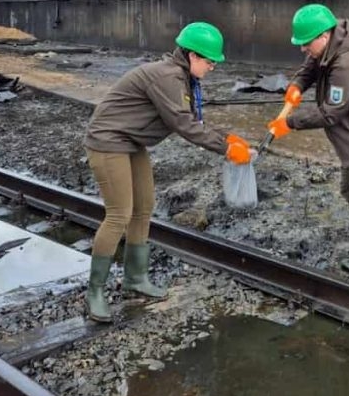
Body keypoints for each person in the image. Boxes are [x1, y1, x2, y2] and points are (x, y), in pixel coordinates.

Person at [83, 21, 252, 322]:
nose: (213, 67)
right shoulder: (168, 78)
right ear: (192, 56)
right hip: (108, 142)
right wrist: (227, 149)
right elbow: (184, 125)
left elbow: (194, 121)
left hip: (131, 141)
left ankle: (135, 278)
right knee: (119, 213)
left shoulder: (183, 78)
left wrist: (228, 138)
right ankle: (94, 292)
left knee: (144, 207)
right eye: (210, 61)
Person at [267, 4, 349, 284]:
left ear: (323, 37)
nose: (303, 49)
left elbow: (331, 112)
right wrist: (296, 86)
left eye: (306, 44)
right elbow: (310, 66)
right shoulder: (330, 42)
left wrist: (289, 123)